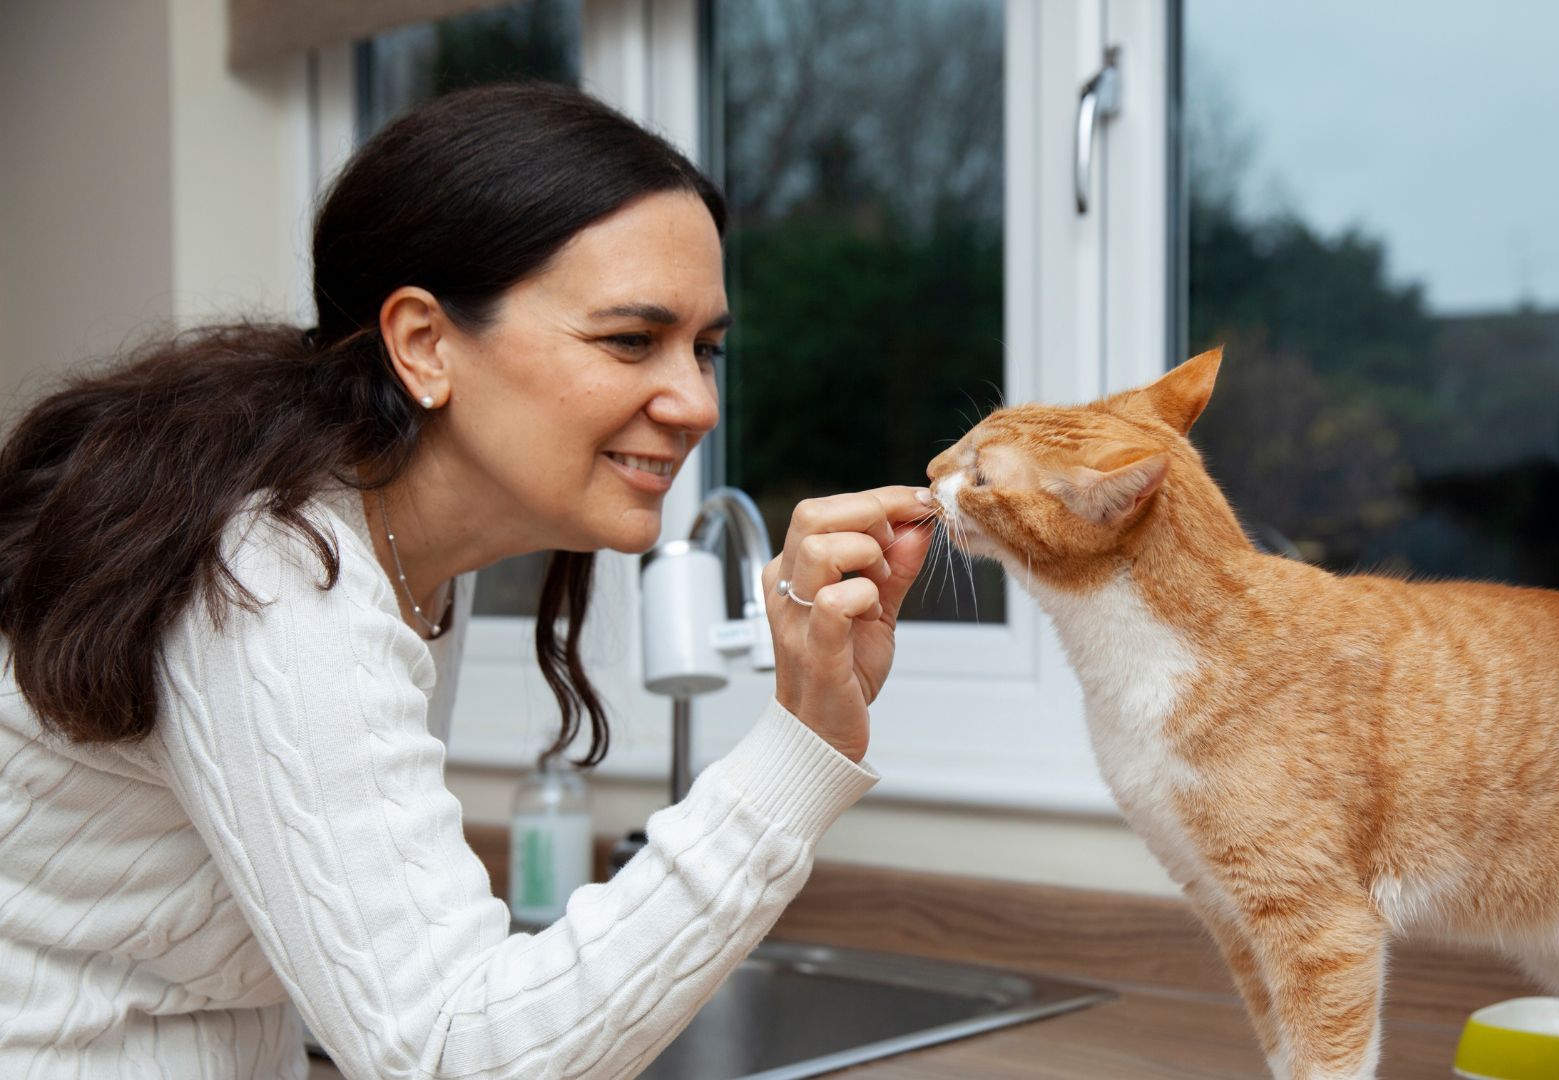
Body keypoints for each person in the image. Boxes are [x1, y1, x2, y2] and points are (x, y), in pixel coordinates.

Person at [0, 82, 934, 1078]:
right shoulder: (274, 584)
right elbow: (455, 1059)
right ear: (424, 345)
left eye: (705, 349)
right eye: (631, 340)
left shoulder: (402, 550)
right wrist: (802, 747)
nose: (697, 401)